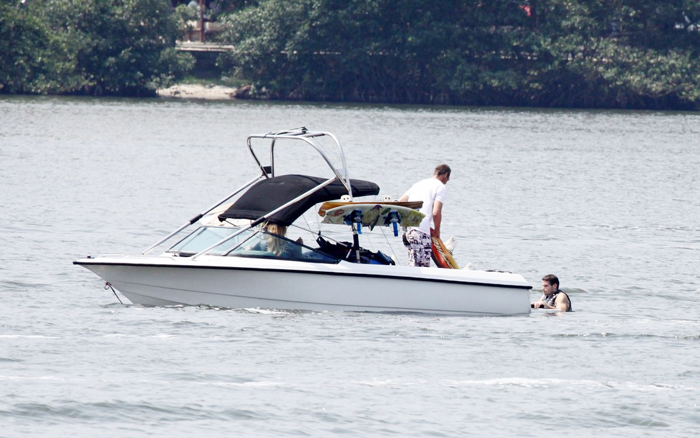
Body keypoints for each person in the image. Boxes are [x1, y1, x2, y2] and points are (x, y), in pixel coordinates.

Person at [398, 164, 451, 267]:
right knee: (422, 268)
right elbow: (436, 213)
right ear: (446, 174)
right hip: (420, 231)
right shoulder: (440, 187)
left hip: (408, 231)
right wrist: (437, 230)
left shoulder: (418, 184)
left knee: (413, 264)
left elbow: (400, 202)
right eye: (448, 179)